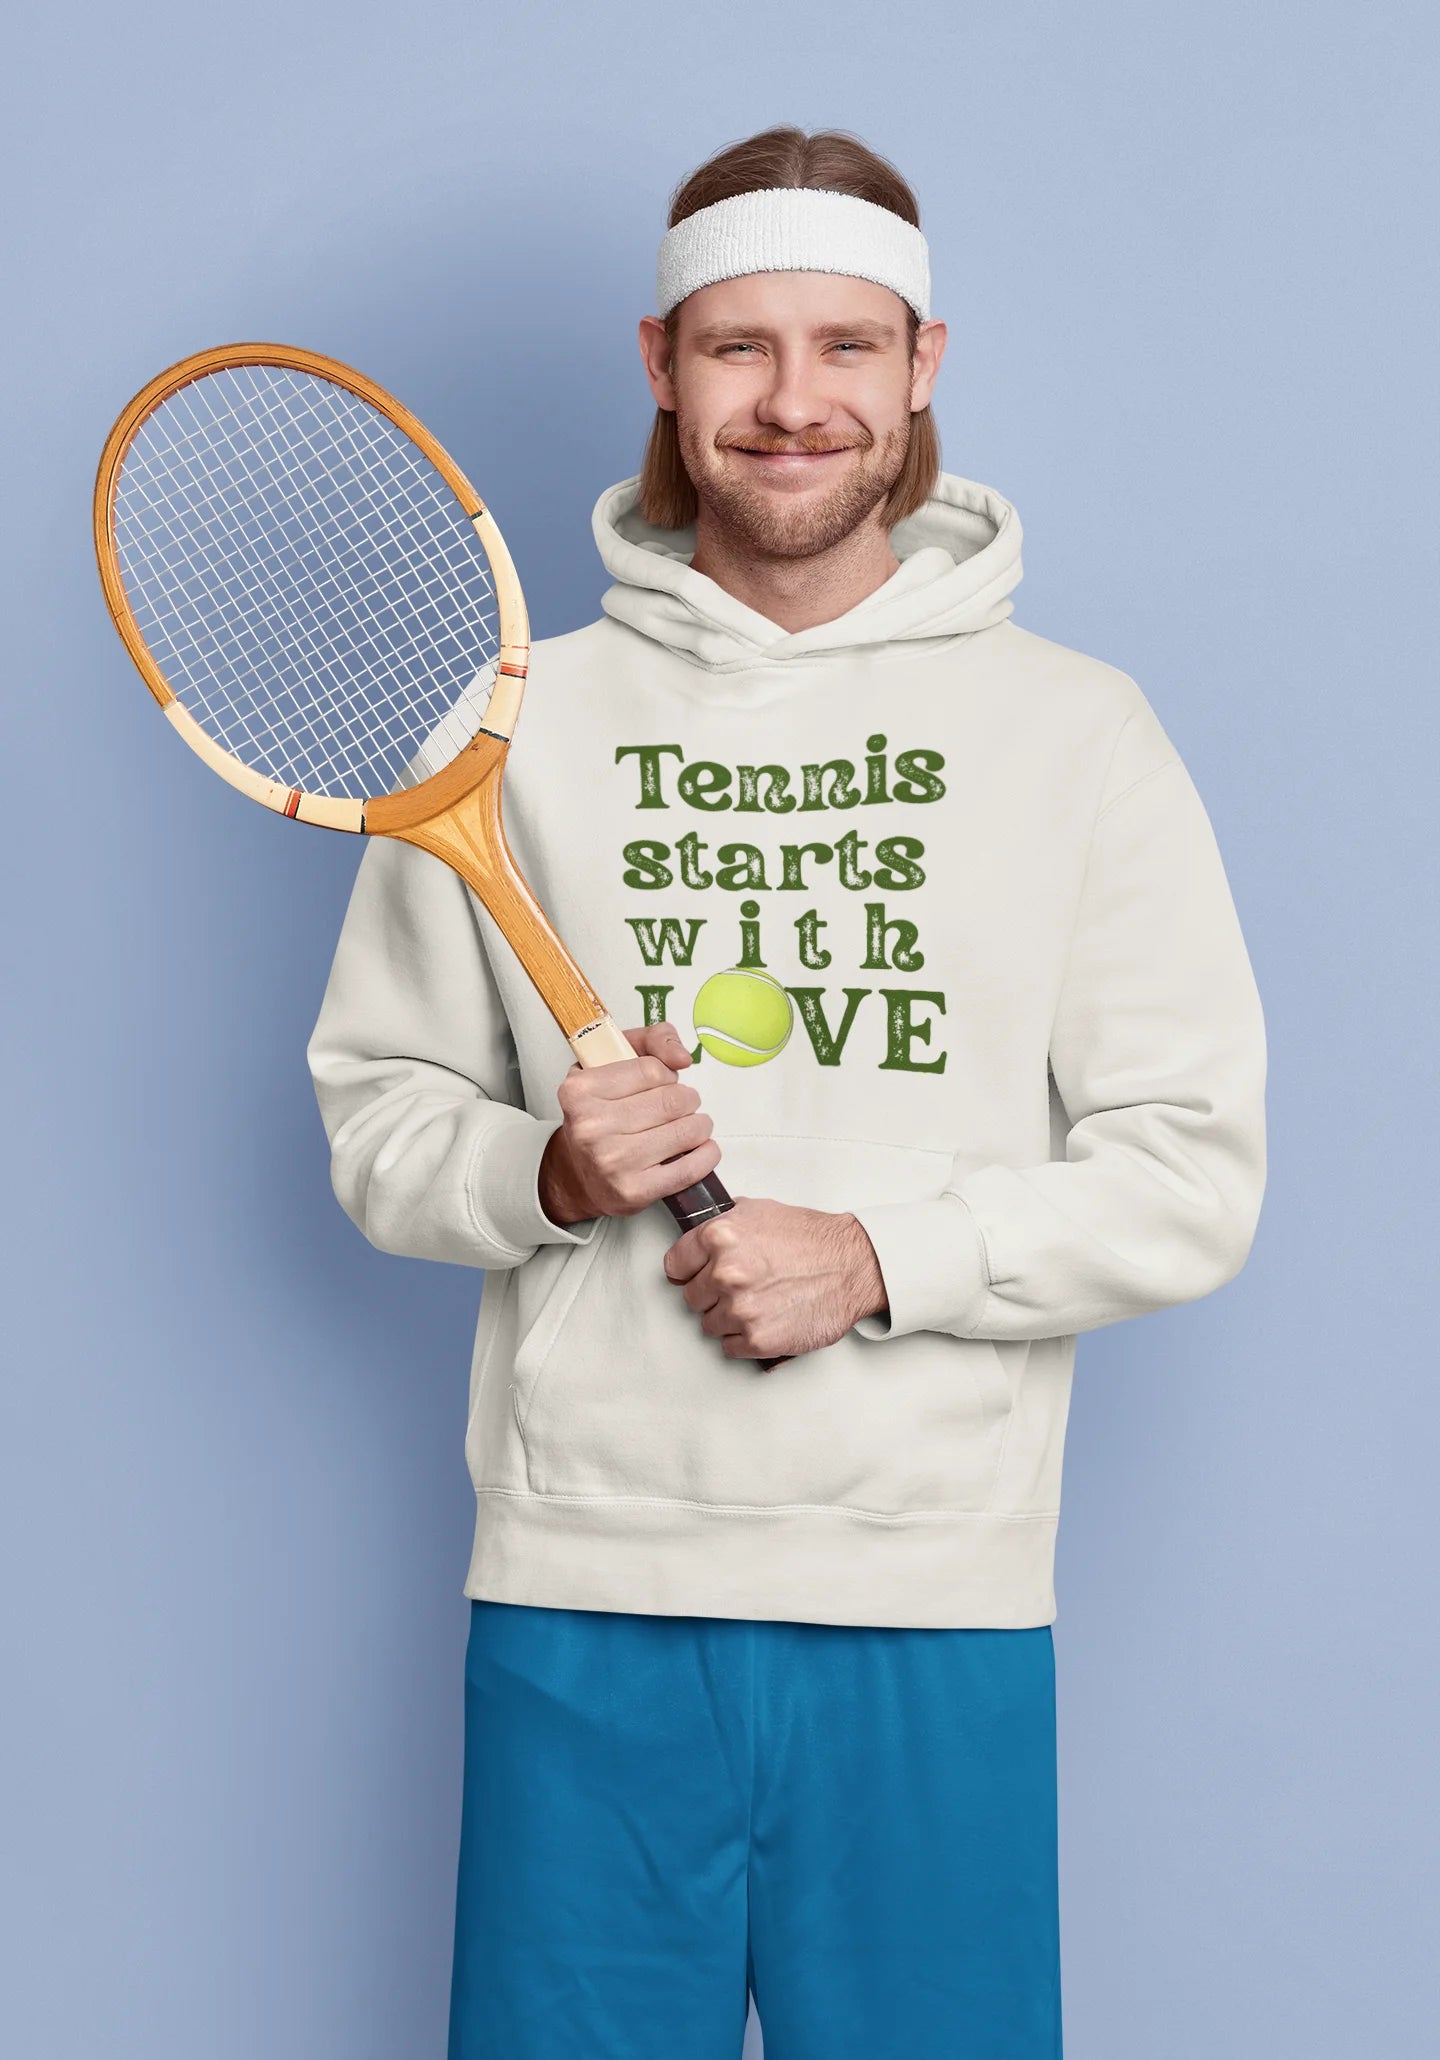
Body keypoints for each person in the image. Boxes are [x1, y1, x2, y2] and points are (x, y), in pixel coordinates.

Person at [307, 124, 1267, 2060]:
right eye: (741, 347)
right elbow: (381, 1120)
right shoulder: (512, 729)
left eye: (848, 346)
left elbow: (1191, 1175)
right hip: (585, 1582)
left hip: (936, 1597)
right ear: (662, 365)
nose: (794, 401)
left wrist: (881, 1259)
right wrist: (549, 1174)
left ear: (925, 365)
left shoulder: (1078, 735)